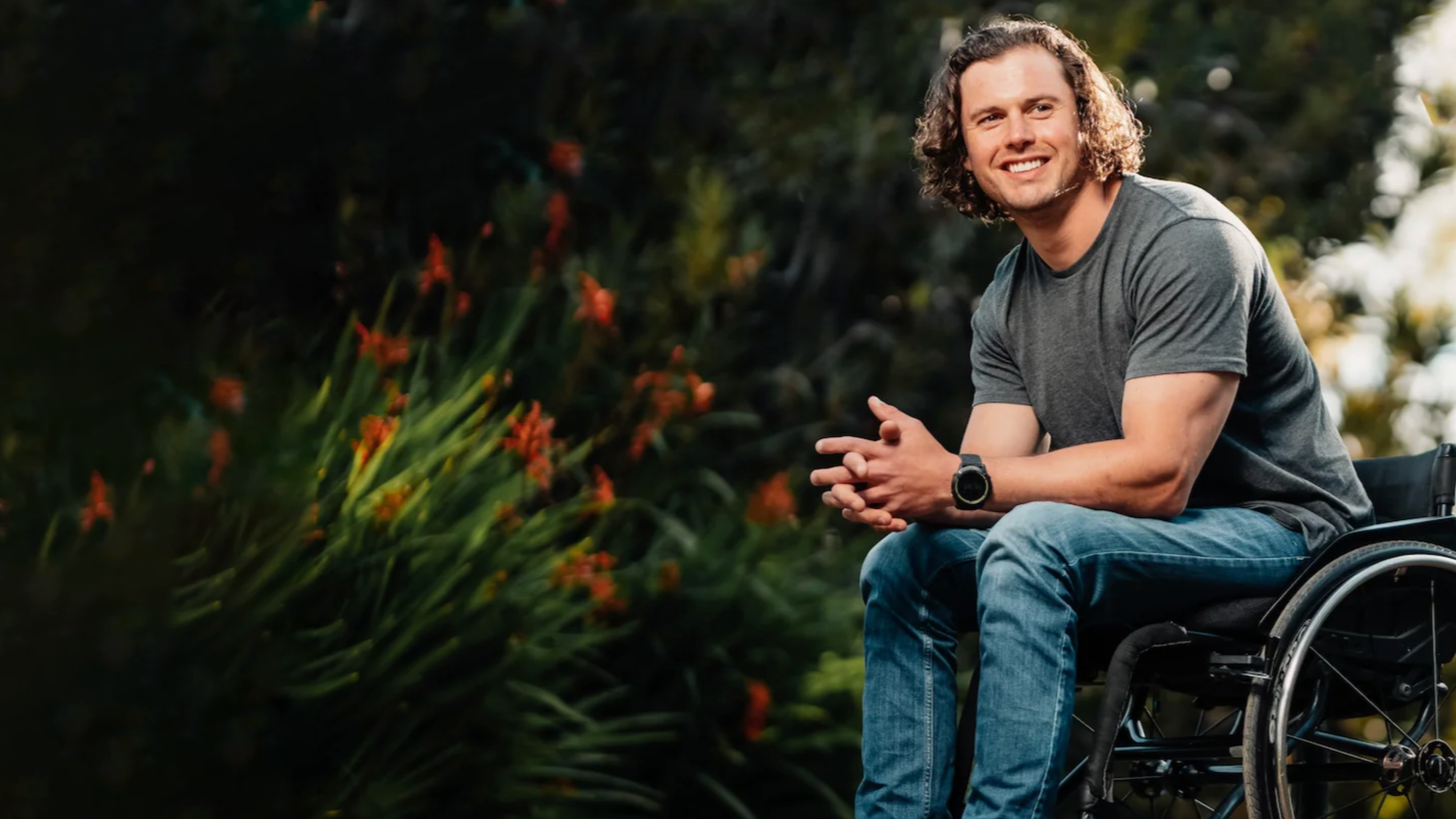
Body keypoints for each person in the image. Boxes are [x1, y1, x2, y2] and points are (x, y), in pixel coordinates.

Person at [808, 17, 1374, 819]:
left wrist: (958, 481)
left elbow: (1157, 475)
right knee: (907, 565)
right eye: (990, 119)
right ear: (963, 150)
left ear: (1085, 117)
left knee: (1032, 540)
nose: (1018, 135)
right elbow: (981, 495)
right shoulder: (1008, 297)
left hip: (1282, 532)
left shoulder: (1186, 239)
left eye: (1039, 108)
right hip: (1134, 539)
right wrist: (916, 492)